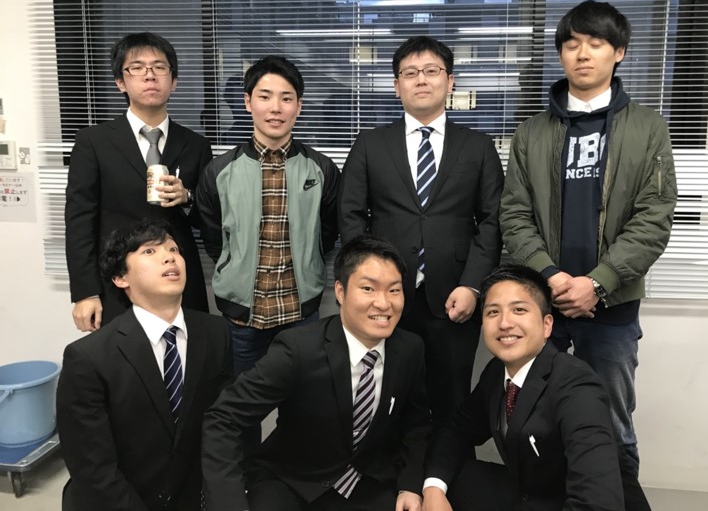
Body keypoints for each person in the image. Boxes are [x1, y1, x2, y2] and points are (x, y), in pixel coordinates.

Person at [499, 0, 677, 510]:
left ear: (618, 52)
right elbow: (514, 215)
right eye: (572, 44)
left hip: (612, 307)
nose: (582, 54)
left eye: (596, 43)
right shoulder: (532, 133)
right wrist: (552, 277)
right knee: (535, 416)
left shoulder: (647, 128)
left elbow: (654, 217)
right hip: (544, 305)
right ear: (560, 54)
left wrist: (597, 282)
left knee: (611, 422)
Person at [338, 36, 504, 425]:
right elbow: (350, 215)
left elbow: (492, 221)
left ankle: (446, 464)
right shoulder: (370, 144)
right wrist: (370, 284)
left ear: (450, 81)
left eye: (432, 71)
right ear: (397, 86)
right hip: (387, 299)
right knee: (386, 398)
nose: (422, 80)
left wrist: (473, 286)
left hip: (454, 296)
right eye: (410, 73)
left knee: (451, 401)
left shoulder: (478, 147)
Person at [201, 235, 431, 511]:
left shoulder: (410, 349)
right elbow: (224, 418)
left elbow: (417, 423)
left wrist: (410, 485)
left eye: (394, 290)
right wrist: (229, 503)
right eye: (368, 288)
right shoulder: (299, 349)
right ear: (340, 291)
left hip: (367, 482)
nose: (383, 303)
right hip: (292, 480)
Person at [57, 220, 233, 511]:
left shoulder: (216, 333)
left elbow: (223, 425)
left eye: (173, 249)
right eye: (149, 251)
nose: (169, 257)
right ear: (120, 278)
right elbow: (92, 468)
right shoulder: (88, 357)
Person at [422, 265, 624, 511]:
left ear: (547, 325)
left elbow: (597, 502)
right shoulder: (497, 372)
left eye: (519, 310)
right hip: (530, 493)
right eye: (493, 312)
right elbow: (456, 431)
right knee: (453, 477)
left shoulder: (577, 385)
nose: (505, 323)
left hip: (568, 501)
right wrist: (433, 489)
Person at [196, 54, 340, 375]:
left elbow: (328, 234)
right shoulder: (219, 171)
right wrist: (234, 267)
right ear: (248, 102)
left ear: (298, 107)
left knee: (303, 398)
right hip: (242, 317)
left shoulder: (322, 169)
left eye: (286, 98)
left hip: (300, 313)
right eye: (265, 97)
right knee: (242, 399)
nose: (276, 108)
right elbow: (214, 238)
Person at [65, 32, 212, 332]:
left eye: (159, 67)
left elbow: (209, 219)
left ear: (174, 81)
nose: (149, 75)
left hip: (178, 282)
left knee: (189, 354)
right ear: (121, 81)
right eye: (137, 67)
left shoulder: (196, 145)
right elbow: (80, 219)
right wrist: (85, 292)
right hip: (119, 281)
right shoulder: (94, 142)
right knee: (125, 357)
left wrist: (187, 198)